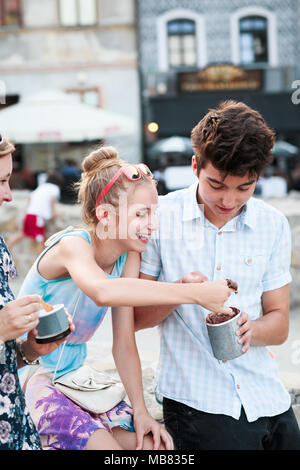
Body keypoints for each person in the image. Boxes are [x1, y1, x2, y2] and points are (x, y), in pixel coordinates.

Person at [18, 145, 234, 451]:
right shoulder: (72, 246)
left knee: (155, 447)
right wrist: (194, 294)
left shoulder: (129, 254)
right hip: (31, 376)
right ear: (105, 215)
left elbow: (124, 342)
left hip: (76, 380)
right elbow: (102, 291)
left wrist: (141, 410)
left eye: (154, 213)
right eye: (141, 214)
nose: (153, 224)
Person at [135, 100, 300, 450]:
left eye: (244, 188)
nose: (229, 200)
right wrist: (183, 292)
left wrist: (251, 330)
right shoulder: (159, 219)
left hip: (268, 396)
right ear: (195, 166)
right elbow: (134, 318)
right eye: (217, 185)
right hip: (198, 401)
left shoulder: (271, 224)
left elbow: (280, 322)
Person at [0, 135, 74, 450]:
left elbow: (6, 362)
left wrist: (30, 350)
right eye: (1, 181)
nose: (7, 195)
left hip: (16, 427)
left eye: (8, 181)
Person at [7, 172, 62, 255]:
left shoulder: (42, 186)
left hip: (29, 214)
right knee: (41, 240)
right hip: (37, 217)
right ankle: (39, 264)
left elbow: (30, 197)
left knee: (23, 233)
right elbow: (52, 200)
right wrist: (54, 212)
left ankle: (5, 247)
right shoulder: (54, 188)